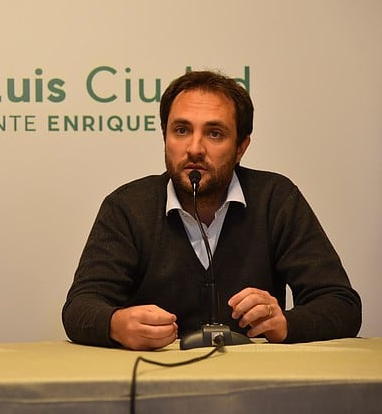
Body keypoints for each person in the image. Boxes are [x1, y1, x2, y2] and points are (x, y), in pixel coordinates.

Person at [62, 70, 362, 351]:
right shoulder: (128, 206)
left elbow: (341, 304)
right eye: (181, 130)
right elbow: (80, 307)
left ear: (241, 147)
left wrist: (286, 323)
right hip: (157, 384)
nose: (194, 148)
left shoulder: (275, 199)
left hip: (255, 388)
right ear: (165, 137)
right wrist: (116, 324)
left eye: (214, 133)